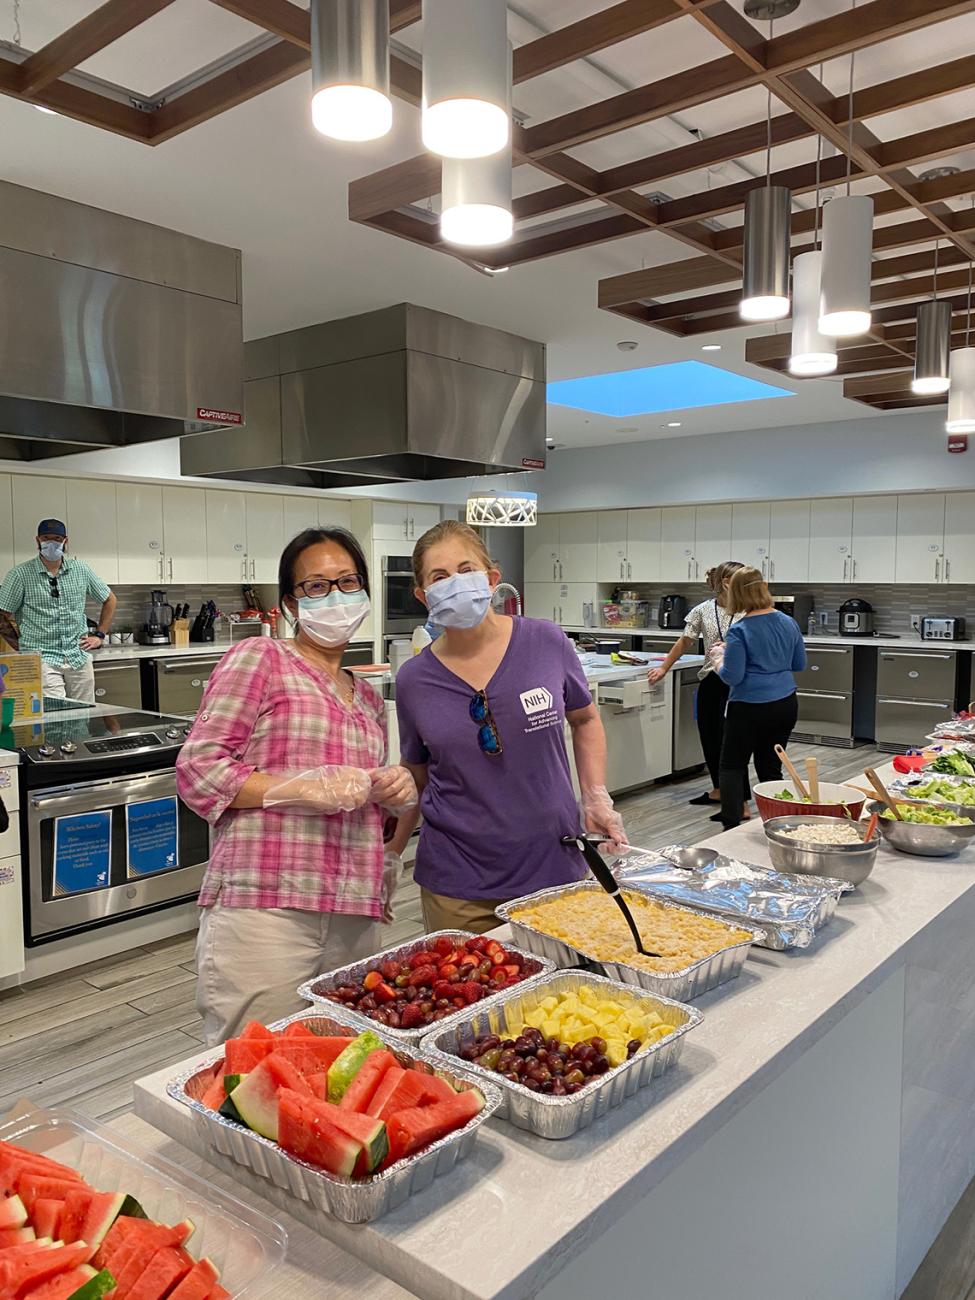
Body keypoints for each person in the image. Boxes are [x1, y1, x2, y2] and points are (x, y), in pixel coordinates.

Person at [176, 526, 418, 1044]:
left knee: (338, 1065)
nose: (336, 595)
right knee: (256, 1068)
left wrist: (390, 793)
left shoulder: (369, 698)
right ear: (290, 602)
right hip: (267, 907)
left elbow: (361, 803)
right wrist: (300, 789)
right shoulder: (260, 660)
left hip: (354, 911)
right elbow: (199, 769)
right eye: (317, 585)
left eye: (349, 582)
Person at [395, 519, 626, 935]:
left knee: (566, 994)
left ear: (492, 578)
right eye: (439, 577)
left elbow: (586, 717)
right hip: (458, 881)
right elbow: (415, 773)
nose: (456, 583)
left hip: (553, 862)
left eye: (466, 570)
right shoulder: (414, 680)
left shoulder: (545, 641)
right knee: (469, 996)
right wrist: (389, 855)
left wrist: (595, 797)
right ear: (422, 595)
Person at [647, 561, 751, 819]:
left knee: (732, 741)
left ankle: (742, 803)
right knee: (709, 735)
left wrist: (732, 645)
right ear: (727, 582)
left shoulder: (751, 610)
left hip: (739, 682)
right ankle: (718, 789)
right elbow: (684, 641)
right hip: (712, 680)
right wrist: (664, 668)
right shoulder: (703, 610)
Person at [712, 567, 807, 830]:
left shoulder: (739, 630)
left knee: (732, 765)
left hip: (748, 707)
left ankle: (730, 827)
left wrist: (719, 658)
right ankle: (775, 823)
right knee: (770, 765)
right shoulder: (789, 622)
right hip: (785, 703)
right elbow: (799, 663)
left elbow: (733, 676)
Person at [0, 519, 116, 703]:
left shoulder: (81, 570)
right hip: (42, 659)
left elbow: (109, 599)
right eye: (46, 538)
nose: (52, 543)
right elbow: (2, 614)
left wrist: (100, 635)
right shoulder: (20, 575)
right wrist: (19, 644)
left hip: (78, 655)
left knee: (83, 715)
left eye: (57, 538)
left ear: (65, 541)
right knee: (54, 718)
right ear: (37, 540)